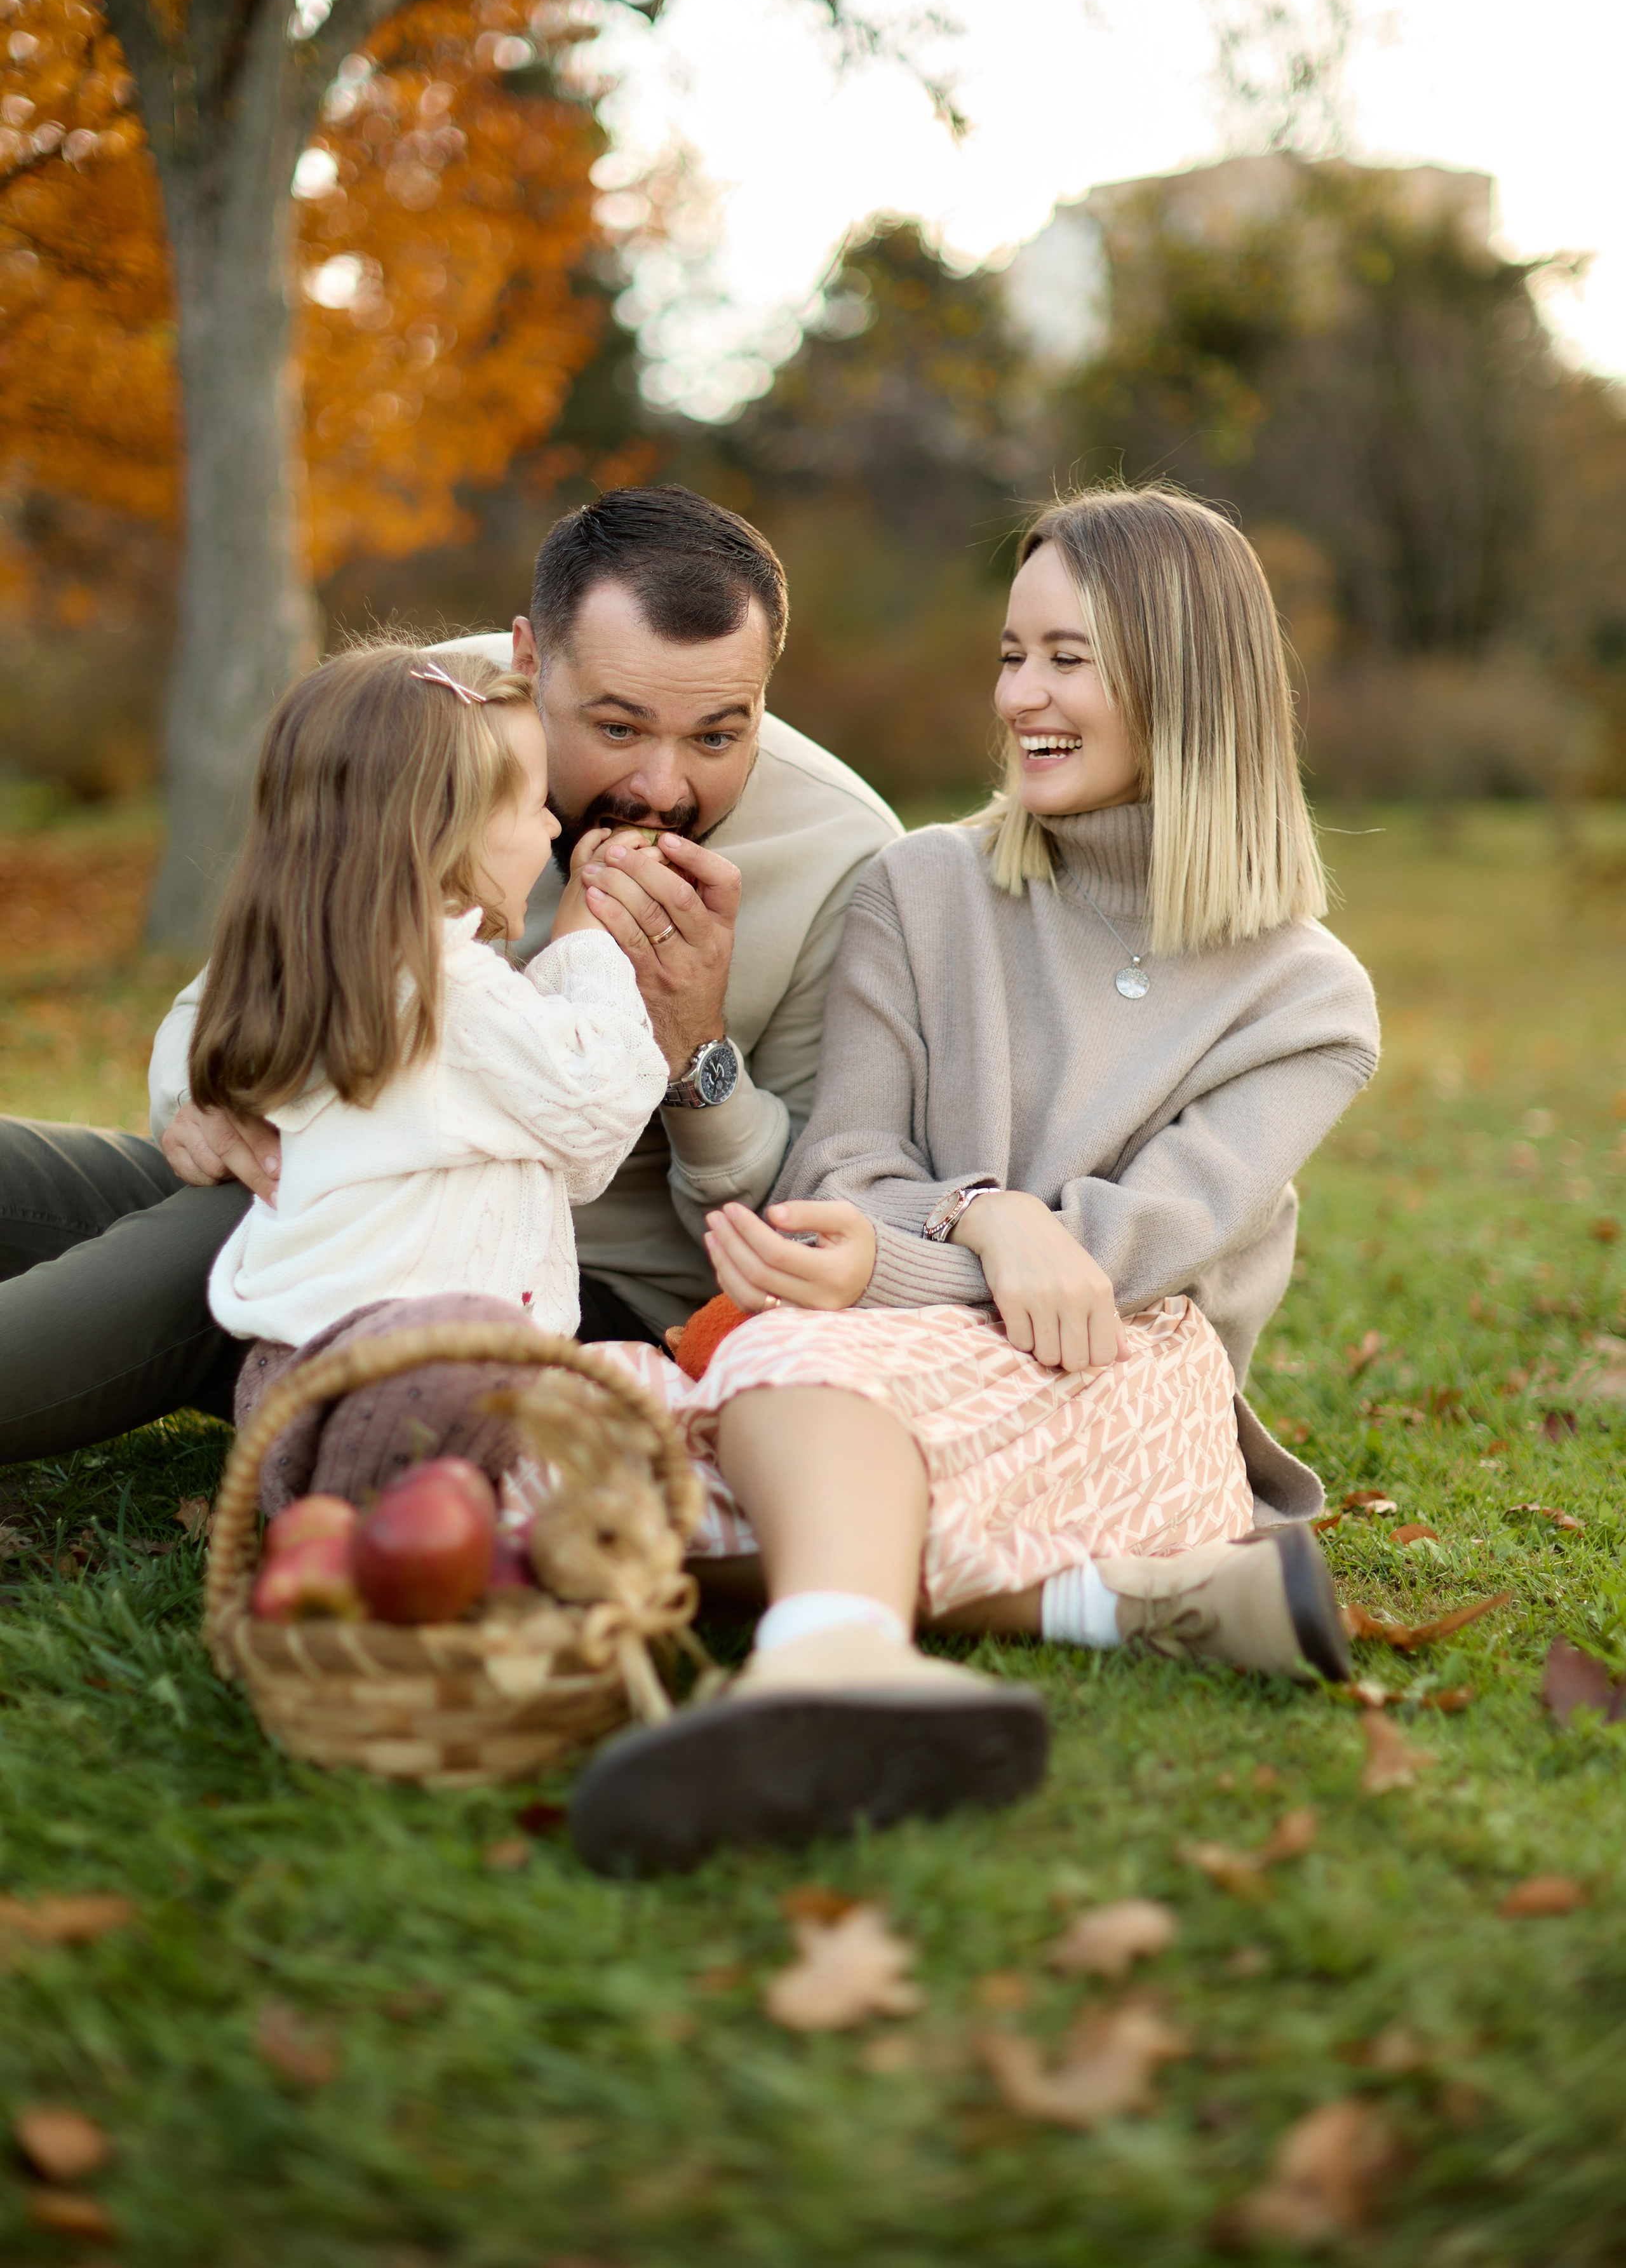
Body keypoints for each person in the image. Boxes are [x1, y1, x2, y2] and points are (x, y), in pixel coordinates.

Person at [567, 485, 1382, 1874]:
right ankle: (1115, 1604)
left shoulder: (1304, 1003)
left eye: (1066, 657)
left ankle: (823, 1657)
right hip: (893, 1344)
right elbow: (848, 1165)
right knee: (576, 1450)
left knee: (789, 1376)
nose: (1020, 697)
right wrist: (983, 1219)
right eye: (1011, 656)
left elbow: (1120, 1267)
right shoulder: (920, 888)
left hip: (1117, 1381)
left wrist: (901, 1263)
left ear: (1181, 674)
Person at [0, 488, 899, 1464]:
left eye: (718, 736)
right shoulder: (440, 713)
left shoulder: (845, 856)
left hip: (549, 1309)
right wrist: (207, 1099)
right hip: (330, 1197)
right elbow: (229, 996)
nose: (662, 787)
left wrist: (696, 1052)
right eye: (617, 728)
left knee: (222, 1233)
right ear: (526, 659)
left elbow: (813, 1228)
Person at [190, 642, 668, 1368]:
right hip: (424, 1375)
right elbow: (597, 1113)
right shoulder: (451, 988)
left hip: (291, 1363)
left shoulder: (331, 963)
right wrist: (585, 948)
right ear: (447, 831)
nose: (551, 830)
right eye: (535, 807)